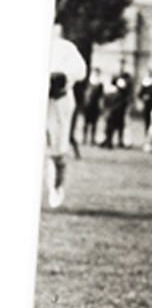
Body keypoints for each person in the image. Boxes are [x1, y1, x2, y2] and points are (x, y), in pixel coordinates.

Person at [46, 24, 87, 207]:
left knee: (57, 150)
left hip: (59, 101)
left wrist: (62, 78)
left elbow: (80, 71)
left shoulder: (65, 47)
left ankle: (56, 187)